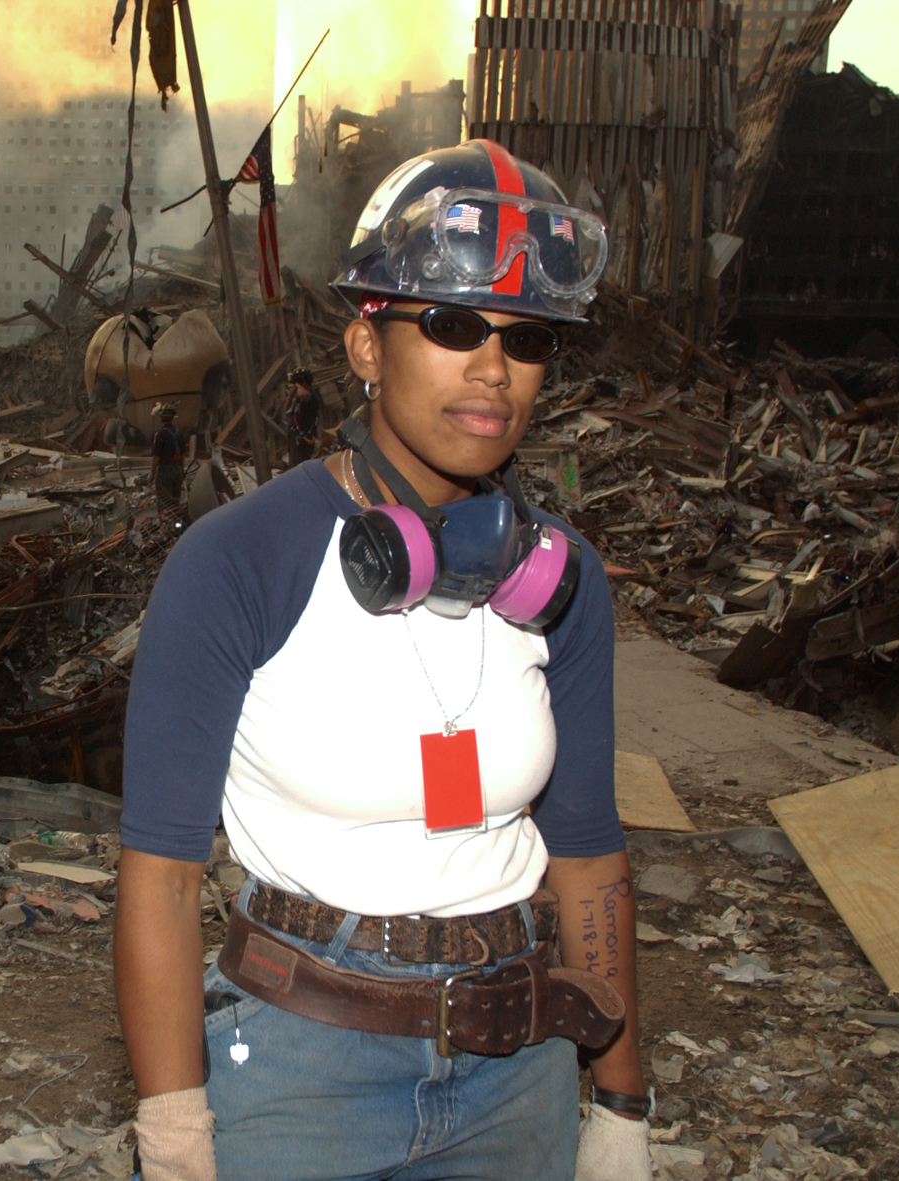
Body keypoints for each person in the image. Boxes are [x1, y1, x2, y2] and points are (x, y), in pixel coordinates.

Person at [116, 138, 648, 1181]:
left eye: (526, 338)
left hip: (518, 1064)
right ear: (367, 345)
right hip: (295, 1063)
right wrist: (175, 1136)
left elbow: (590, 857)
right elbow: (163, 878)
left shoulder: (561, 581)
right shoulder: (238, 561)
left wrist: (623, 1106)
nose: (492, 369)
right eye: (451, 326)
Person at [283, 367, 323, 469]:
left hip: (304, 441)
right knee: (294, 467)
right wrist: (290, 395)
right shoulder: (298, 400)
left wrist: (298, 386)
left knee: (302, 467)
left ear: (304, 382)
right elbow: (287, 410)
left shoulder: (312, 397)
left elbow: (303, 395)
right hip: (294, 439)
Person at [150, 403, 185, 511]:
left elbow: (156, 456)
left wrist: (152, 472)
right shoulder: (180, 434)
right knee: (175, 502)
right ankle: (176, 520)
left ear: (161, 419)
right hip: (177, 470)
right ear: (173, 418)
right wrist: (181, 470)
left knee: (164, 503)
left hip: (165, 472)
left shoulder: (161, 435)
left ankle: (166, 521)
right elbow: (183, 455)